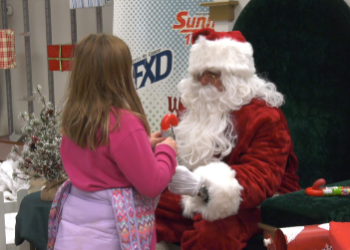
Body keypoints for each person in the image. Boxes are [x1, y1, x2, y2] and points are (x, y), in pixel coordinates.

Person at [155, 28, 300, 250]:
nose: (203, 81)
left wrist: (204, 188)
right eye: (198, 73)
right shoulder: (194, 105)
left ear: (234, 75)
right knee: (147, 208)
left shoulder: (265, 116)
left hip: (255, 200)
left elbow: (261, 178)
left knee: (214, 233)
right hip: (195, 193)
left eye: (211, 74)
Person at [47, 34, 178, 250]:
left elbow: (99, 156)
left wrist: (142, 143)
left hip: (73, 231)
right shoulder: (123, 123)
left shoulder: (74, 118)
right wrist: (166, 151)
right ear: (122, 73)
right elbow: (152, 184)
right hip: (111, 234)